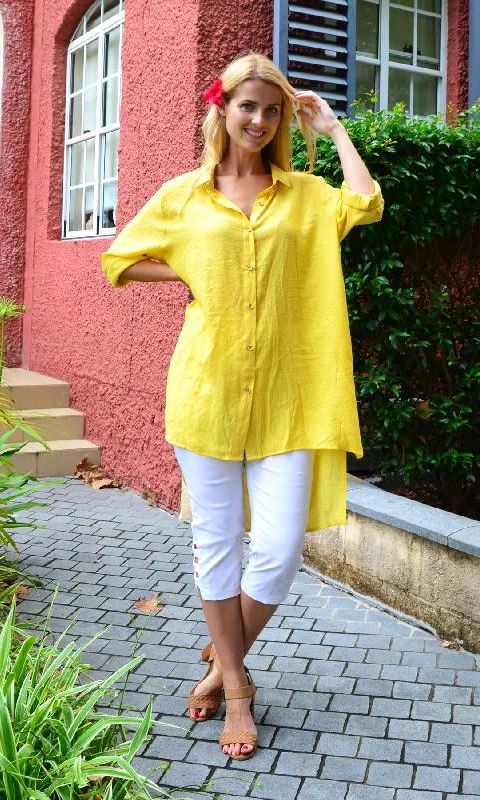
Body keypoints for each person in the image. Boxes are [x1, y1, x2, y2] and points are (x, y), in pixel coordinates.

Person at [101, 51, 384, 761]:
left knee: (280, 552)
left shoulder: (306, 194)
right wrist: (188, 269)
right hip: (206, 393)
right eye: (247, 106)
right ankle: (233, 689)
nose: (258, 120)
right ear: (221, 110)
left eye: (272, 110)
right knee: (216, 546)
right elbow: (119, 260)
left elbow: (366, 202)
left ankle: (217, 663)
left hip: (293, 394)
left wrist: (336, 129)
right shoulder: (182, 196)